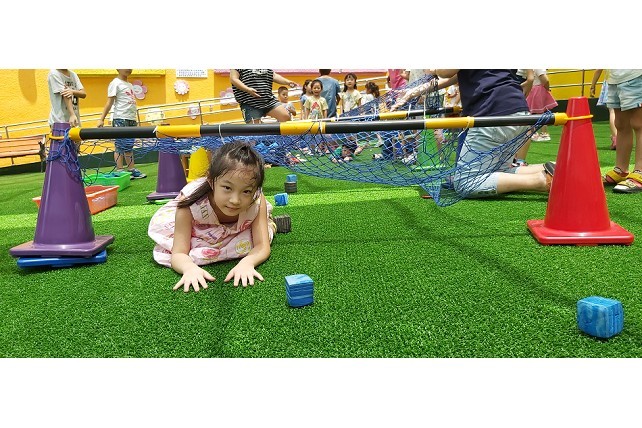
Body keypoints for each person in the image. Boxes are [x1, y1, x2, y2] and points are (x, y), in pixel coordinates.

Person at [393, 69, 555, 198]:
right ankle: (555, 168)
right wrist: (413, 91)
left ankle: (540, 181)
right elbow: (452, 78)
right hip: (517, 111)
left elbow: (445, 71)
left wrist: (433, 69)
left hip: (493, 114)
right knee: (501, 169)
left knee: (465, 183)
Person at [148, 141, 277, 291]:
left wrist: (247, 263)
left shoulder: (256, 200)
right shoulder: (190, 203)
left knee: (255, 237)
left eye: (246, 191)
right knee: (193, 248)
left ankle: (271, 223)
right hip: (199, 228)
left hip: (240, 228)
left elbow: (262, 246)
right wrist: (188, 268)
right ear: (211, 180)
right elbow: (179, 252)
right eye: (227, 188)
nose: (235, 200)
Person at [97, 69, 147, 179]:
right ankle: (120, 170)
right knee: (120, 146)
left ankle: (131, 169)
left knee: (129, 146)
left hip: (131, 119)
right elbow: (109, 102)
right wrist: (101, 119)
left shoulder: (129, 85)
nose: (128, 68)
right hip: (120, 118)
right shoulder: (115, 83)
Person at [601, 69, 642, 193]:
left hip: (636, 75)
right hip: (615, 78)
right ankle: (621, 170)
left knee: (639, 123)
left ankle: (640, 171)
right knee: (620, 124)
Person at [230, 69, 297, 124]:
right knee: (254, 129)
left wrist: (287, 82)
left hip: (268, 100)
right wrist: (247, 89)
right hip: (250, 103)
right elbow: (233, 79)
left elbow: (274, 75)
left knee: (285, 117)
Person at [590, 69, 617, 150]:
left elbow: (599, 70)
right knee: (625, 112)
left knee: (612, 111)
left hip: (611, 81)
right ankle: (624, 138)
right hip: (627, 82)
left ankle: (616, 138)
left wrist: (592, 86)